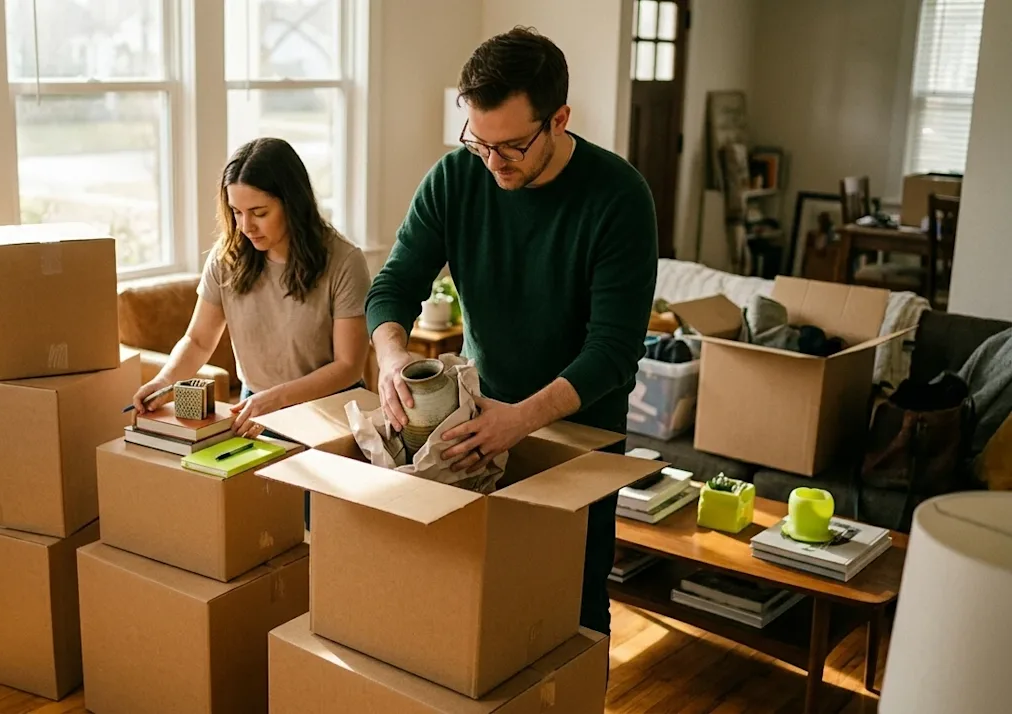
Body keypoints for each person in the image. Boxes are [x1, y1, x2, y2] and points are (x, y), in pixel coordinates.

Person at [364, 27, 658, 636]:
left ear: (560, 119)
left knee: (572, 612)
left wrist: (520, 419)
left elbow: (613, 351)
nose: (493, 162)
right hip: (475, 425)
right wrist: (391, 356)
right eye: (479, 142)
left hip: (581, 438)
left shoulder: (619, 196)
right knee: (474, 610)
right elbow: (393, 286)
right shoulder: (455, 178)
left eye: (512, 147)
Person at [133, 137, 371, 442]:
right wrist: (164, 381)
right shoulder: (227, 257)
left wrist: (275, 399)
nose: (246, 226)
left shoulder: (344, 261)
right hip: (256, 409)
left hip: (329, 410)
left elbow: (348, 366)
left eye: (259, 213)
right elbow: (198, 340)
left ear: (293, 204)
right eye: (236, 212)